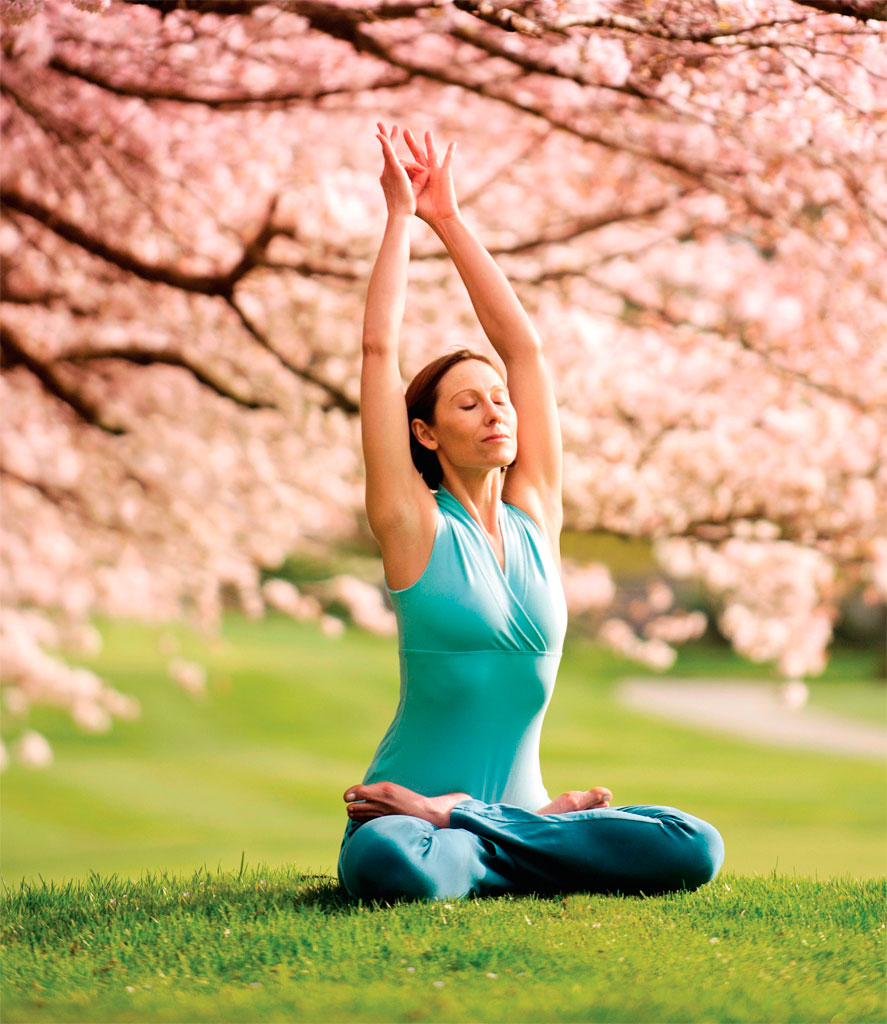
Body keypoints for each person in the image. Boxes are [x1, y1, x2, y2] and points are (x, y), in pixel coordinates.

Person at [337, 123, 724, 902]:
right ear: (424, 431)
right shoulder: (414, 525)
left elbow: (528, 352)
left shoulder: (535, 516)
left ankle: (486, 825)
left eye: (499, 401)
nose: (495, 412)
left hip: (496, 819)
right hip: (404, 825)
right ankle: (500, 835)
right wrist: (398, 220)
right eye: (466, 404)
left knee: (695, 845)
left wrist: (449, 218)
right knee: (390, 865)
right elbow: (379, 353)